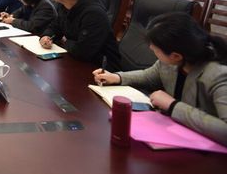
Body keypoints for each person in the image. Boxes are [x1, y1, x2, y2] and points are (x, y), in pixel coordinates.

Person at [93, 12, 227, 146]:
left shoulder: (218, 74)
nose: (151, 48)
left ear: (176, 56)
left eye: (155, 49)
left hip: (206, 150)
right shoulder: (176, 59)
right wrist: (117, 77)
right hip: (175, 134)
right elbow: (149, 76)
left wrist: (172, 105)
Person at [39, 0, 121, 71]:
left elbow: (83, 51)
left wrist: (63, 40)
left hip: (100, 69)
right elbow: (55, 26)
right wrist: (46, 36)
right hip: (74, 60)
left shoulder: (94, 14)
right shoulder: (64, 5)